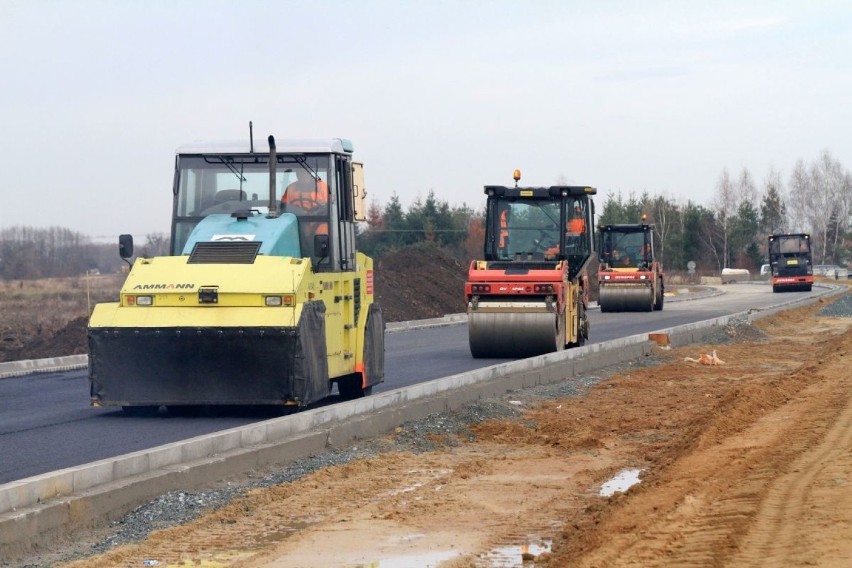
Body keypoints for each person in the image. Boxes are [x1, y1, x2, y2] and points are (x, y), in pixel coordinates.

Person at [281, 167, 330, 242]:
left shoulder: (322, 187)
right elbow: (283, 206)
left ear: (310, 173)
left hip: (318, 221)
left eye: (304, 172)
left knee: (323, 232)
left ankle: (324, 251)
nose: (302, 175)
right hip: (297, 222)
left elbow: (330, 206)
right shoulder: (291, 188)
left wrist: (315, 212)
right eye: (299, 172)